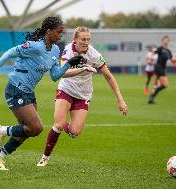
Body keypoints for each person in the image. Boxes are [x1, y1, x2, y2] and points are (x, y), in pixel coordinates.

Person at [0, 17, 84, 171]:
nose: (61, 35)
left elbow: (54, 76)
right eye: (59, 32)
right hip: (15, 89)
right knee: (36, 128)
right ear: (49, 31)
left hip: (28, 92)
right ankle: (1, 130)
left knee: (27, 131)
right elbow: (9, 53)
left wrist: (69, 63)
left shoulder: (55, 50)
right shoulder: (35, 47)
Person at [36, 26, 128, 167]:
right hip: (66, 90)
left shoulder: (94, 55)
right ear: (75, 40)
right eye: (83, 39)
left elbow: (109, 77)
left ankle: (64, 125)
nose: (86, 42)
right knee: (59, 124)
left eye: (88, 39)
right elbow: (63, 73)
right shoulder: (68, 50)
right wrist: (83, 69)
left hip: (83, 96)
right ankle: (45, 157)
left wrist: (120, 100)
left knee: (74, 132)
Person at [148, 35, 176, 104]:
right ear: (162, 41)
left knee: (157, 85)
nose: (166, 41)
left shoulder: (169, 51)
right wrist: (150, 58)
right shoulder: (160, 48)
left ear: (169, 41)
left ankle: (151, 98)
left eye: (167, 40)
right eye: (165, 40)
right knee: (165, 84)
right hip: (158, 68)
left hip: (162, 68)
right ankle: (152, 96)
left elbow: (172, 60)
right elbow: (154, 51)